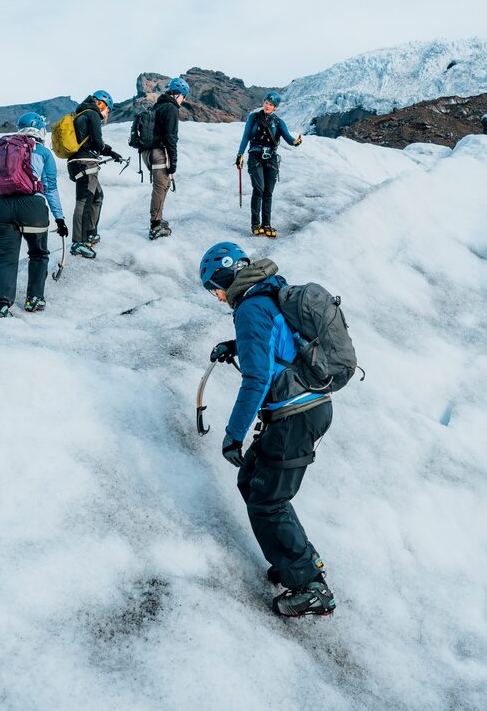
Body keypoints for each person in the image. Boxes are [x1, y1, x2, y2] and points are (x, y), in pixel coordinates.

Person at [199, 241, 336, 617]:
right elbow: (279, 344)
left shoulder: (249, 307)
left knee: (268, 501)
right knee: (252, 480)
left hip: (296, 414)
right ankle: (296, 559)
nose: (216, 297)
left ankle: (311, 586)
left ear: (225, 279)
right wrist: (236, 345)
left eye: (214, 288)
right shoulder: (269, 290)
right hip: (305, 408)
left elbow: (257, 379)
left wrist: (233, 434)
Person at [0, 112, 67, 317]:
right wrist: (60, 219)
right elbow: (50, 188)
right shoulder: (42, 152)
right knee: (38, 253)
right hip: (32, 206)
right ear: (40, 129)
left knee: (6, 257)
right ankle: (34, 300)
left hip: (2, 208)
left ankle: (1, 305)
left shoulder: (5, 149)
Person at [235, 91, 301, 238]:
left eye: (271, 104)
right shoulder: (254, 117)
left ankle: (266, 224)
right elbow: (246, 136)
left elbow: (288, 138)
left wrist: (295, 142)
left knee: (268, 192)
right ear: (263, 102)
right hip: (255, 155)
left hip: (271, 157)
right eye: (266, 103)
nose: (267, 106)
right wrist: (240, 154)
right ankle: (255, 224)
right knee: (259, 189)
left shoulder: (278, 122)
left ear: (275, 107)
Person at [68, 90, 124, 259]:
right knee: (84, 201)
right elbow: (97, 143)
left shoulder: (81, 114)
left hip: (76, 162)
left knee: (97, 196)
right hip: (86, 162)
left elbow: (92, 141)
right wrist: (110, 151)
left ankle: (90, 233)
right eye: (108, 109)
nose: (107, 113)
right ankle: (78, 242)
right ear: (101, 103)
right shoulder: (92, 114)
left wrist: (111, 152)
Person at [141, 76, 189, 240]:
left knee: (163, 185)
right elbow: (171, 137)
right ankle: (155, 226)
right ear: (178, 94)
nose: (184, 99)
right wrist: (173, 163)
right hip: (158, 152)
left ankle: (158, 218)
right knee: (160, 187)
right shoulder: (171, 108)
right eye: (184, 96)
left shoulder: (158, 106)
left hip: (147, 152)